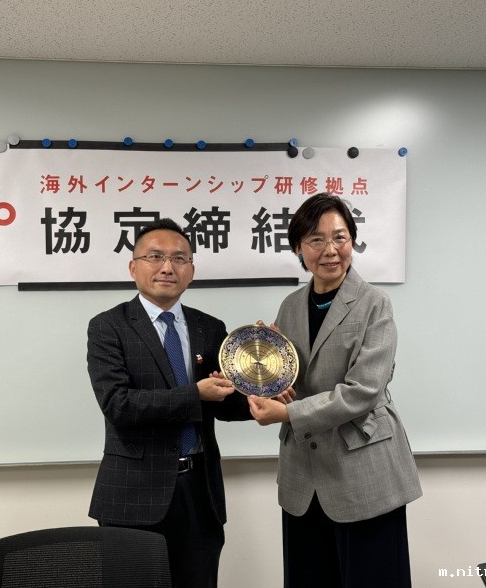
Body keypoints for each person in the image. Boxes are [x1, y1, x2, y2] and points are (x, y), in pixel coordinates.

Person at [248, 193, 422, 588]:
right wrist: (266, 369)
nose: (330, 250)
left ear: (352, 241)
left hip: (363, 469)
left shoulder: (375, 303)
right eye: (316, 240)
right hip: (302, 475)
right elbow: (290, 381)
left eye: (340, 237)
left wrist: (288, 413)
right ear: (298, 248)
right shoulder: (291, 305)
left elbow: (364, 390)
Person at [86, 217, 252, 588]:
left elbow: (223, 403)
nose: (167, 267)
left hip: (200, 492)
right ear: (133, 267)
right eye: (155, 257)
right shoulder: (108, 326)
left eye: (179, 258)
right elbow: (119, 405)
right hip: (133, 496)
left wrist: (262, 384)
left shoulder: (210, 327)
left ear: (191, 270)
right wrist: (195, 393)